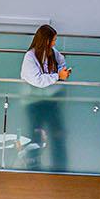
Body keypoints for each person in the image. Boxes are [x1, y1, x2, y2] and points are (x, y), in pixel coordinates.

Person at [21, 23, 71, 172]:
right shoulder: (30, 57)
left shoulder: (53, 52)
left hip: (52, 102)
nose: (55, 43)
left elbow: (62, 63)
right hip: (34, 103)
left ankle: (60, 168)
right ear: (45, 40)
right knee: (35, 135)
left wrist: (63, 72)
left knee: (58, 134)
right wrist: (57, 76)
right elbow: (38, 81)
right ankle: (33, 168)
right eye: (53, 40)